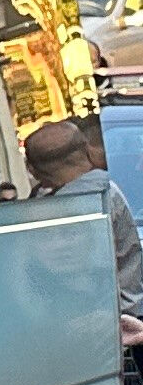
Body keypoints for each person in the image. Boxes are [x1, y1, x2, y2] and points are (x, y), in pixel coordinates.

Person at [20, 116, 143, 348]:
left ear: (32, 170)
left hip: (97, 328)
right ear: (87, 149)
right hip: (124, 320)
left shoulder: (67, 207)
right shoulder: (107, 190)